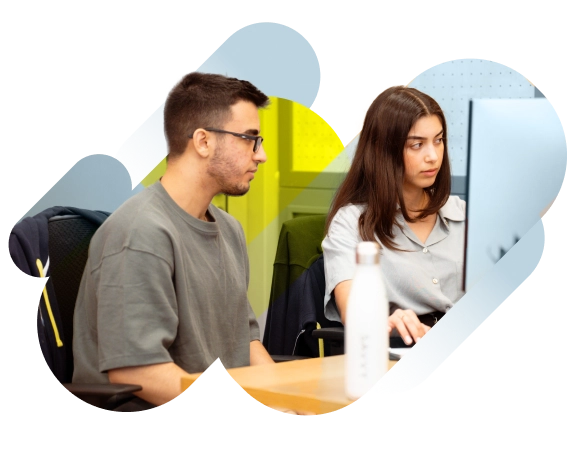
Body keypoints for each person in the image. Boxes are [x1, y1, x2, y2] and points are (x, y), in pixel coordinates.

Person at [72, 71, 279, 410]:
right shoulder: (141, 232)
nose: (261, 155)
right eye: (249, 138)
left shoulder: (229, 229)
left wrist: (287, 401)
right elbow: (141, 374)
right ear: (203, 141)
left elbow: (248, 341)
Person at [322, 84, 466, 347]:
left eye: (438, 140)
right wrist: (386, 321)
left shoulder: (465, 216)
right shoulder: (351, 224)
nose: (433, 156)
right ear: (384, 150)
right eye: (417, 145)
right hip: (399, 358)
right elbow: (353, 311)